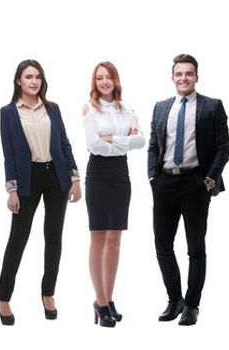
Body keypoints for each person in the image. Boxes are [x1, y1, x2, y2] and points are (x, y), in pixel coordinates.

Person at [147, 54, 229, 326]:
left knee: (195, 247)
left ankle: (192, 305)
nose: (184, 78)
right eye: (179, 73)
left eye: (189, 73)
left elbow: (223, 148)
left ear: (197, 76)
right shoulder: (161, 108)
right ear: (172, 77)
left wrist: (208, 180)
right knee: (162, 245)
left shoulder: (212, 106)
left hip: (196, 183)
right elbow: (153, 146)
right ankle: (175, 299)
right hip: (164, 183)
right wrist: (152, 177)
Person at [0, 59, 81, 326]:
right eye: (28, 77)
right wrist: (12, 190)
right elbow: (8, 153)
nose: (34, 81)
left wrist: (75, 178)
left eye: (38, 77)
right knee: (18, 239)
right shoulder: (8, 112)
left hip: (56, 176)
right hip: (27, 179)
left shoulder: (53, 109)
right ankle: (3, 297)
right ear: (19, 81)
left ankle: (48, 293)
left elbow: (64, 144)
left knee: (53, 238)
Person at [83, 61, 146, 327]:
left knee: (115, 241)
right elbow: (95, 146)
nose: (105, 82)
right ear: (95, 83)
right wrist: (122, 140)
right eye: (100, 78)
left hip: (121, 175)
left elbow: (141, 141)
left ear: (115, 80)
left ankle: (108, 300)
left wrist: (112, 139)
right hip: (98, 175)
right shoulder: (90, 110)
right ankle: (100, 300)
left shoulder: (126, 109)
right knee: (99, 238)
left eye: (109, 77)